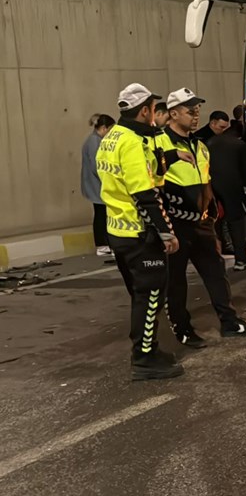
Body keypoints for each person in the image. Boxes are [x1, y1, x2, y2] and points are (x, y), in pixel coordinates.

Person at [157, 88, 246, 348]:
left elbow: (206, 181)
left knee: (216, 273)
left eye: (197, 110)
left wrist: (213, 211)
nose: (196, 115)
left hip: (202, 223)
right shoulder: (159, 145)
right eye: (190, 111)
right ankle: (183, 330)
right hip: (175, 223)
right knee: (176, 280)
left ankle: (230, 322)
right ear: (173, 113)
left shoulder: (200, 146)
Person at [97, 84, 183, 381]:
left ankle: (148, 350)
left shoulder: (112, 137)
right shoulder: (132, 142)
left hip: (117, 231)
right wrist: (165, 233)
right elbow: (143, 194)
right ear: (145, 110)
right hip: (140, 233)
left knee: (140, 295)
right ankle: (144, 358)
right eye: (152, 106)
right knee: (151, 297)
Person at [208, 119, 246, 270]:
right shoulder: (241, 145)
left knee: (213, 223)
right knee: (236, 222)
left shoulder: (209, 142)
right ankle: (241, 260)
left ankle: (215, 260)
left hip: (210, 186)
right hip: (232, 187)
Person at [82, 113, 116, 256]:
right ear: (103, 128)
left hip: (96, 184)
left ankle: (104, 243)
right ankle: (102, 244)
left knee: (102, 213)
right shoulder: (95, 142)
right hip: (97, 184)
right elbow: (98, 165)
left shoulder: (94, 140)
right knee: (101, 214)